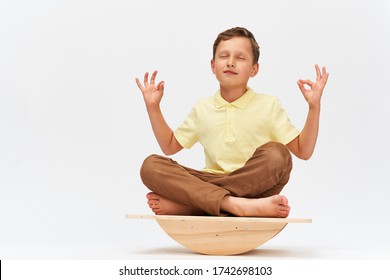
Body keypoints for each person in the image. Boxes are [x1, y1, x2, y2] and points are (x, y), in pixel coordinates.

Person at [135, 27, 329, 218]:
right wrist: (153, 107)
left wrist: (314, 107)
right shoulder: (202, 108)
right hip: (210, 181)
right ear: (213, 66)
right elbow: (169, 146)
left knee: (279, 155)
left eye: (240, 57)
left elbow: (303, 151)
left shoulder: (269, 105)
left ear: (254, 69)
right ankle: (234, 204)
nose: (230, 62)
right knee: (151, 166)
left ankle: (195, 205)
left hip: (254, 185)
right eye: (224, 56)